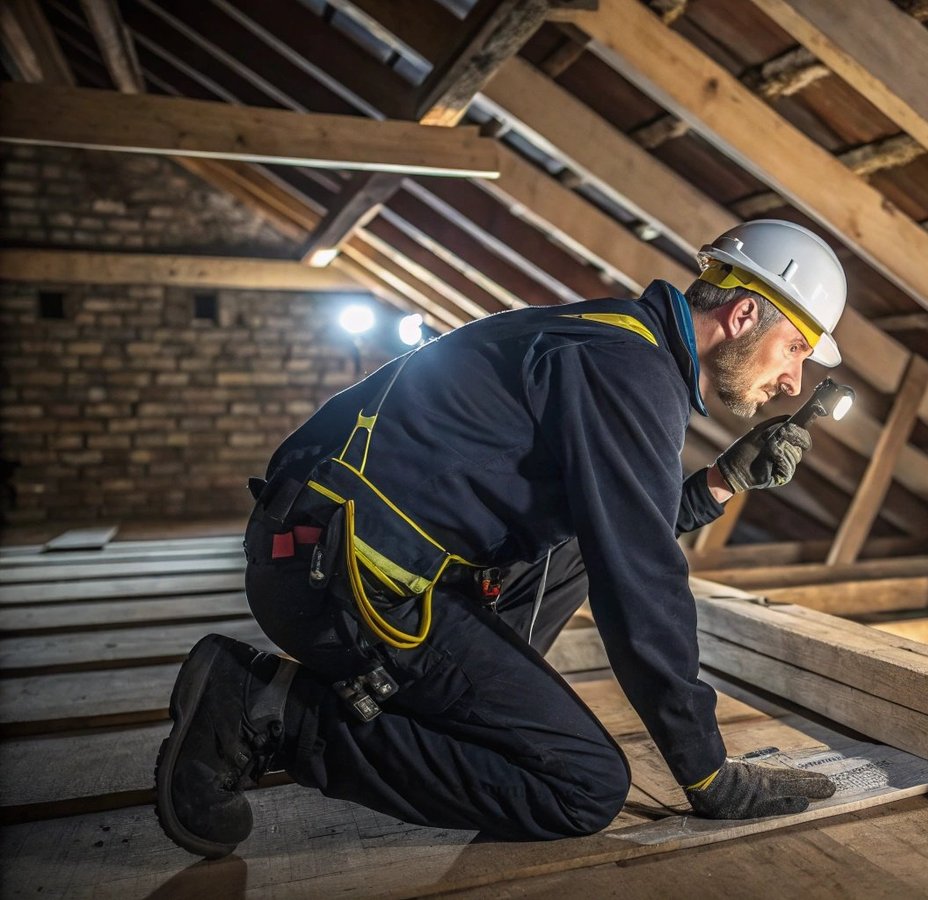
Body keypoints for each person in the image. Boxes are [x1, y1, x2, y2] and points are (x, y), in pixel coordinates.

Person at [154, 220, 849, 858]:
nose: (793, 381)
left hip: (325, 546)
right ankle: (271, 712)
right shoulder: (631, 372)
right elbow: (641, 585)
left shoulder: (617, 340)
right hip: (345, 577)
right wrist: (704, 770)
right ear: (744, 313)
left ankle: (454, 716)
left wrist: (724, 480)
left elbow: (617, 522)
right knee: (582, 786)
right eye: (795, 349)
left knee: (582, 543)